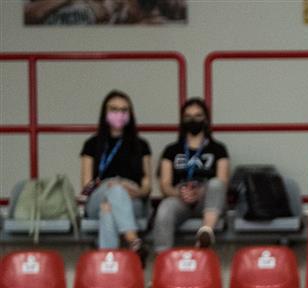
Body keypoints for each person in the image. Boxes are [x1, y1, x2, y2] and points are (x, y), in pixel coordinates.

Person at [79, 90, 151, 259]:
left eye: (124, 110)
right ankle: (133, 239)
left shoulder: (141, 145)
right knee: (114, 191)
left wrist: (136, 192)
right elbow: (86, 187)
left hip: (132, 199)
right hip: (98, 196)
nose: (119, 114)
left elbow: (147, 187)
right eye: (114, 109)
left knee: (108, 210)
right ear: (105, 113)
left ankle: (108, 263)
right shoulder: (91, 144)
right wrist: (108, 187)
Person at [154, 97, 228, 252]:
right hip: (180, 198)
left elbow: (223, 181)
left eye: (198, 116)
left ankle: (205, 234)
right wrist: (180, 193)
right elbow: (165, 185)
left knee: (216, 184)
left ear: (206, 119)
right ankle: (162, 258)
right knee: (165, 208)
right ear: (182, 120)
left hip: (207, 198)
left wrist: (200, 192)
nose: (193, 120)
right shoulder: (171, 150)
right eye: (188, 117)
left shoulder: (218, 149)